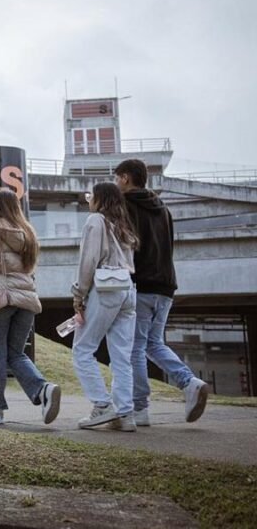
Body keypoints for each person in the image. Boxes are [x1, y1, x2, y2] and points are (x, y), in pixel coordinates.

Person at [116, 159, 210, 424]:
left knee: (135, 347)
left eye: (116, 179)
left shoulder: (126, 205)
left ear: (125, 178)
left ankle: (139, 408)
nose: (115, 184)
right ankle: (189, 382)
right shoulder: (163, 209)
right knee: (153, 343)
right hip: (166, 285)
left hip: (142, 285)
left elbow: (126, 246)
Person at [0, 190, 61, 425]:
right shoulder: (28, 233)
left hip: (0, 298)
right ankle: (43, 389)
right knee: (15, 353)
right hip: (26, 300)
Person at [72, 182, 140, 432]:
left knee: (82, 350)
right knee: (122, 357)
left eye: (91, 194)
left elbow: (88, 261)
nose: (88, 198)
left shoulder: (95, 221)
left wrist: (78, 294)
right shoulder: (123, 225)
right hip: (127, 290)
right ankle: (125, 413)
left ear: (100, 198)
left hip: (105, 288)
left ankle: (102, 405)